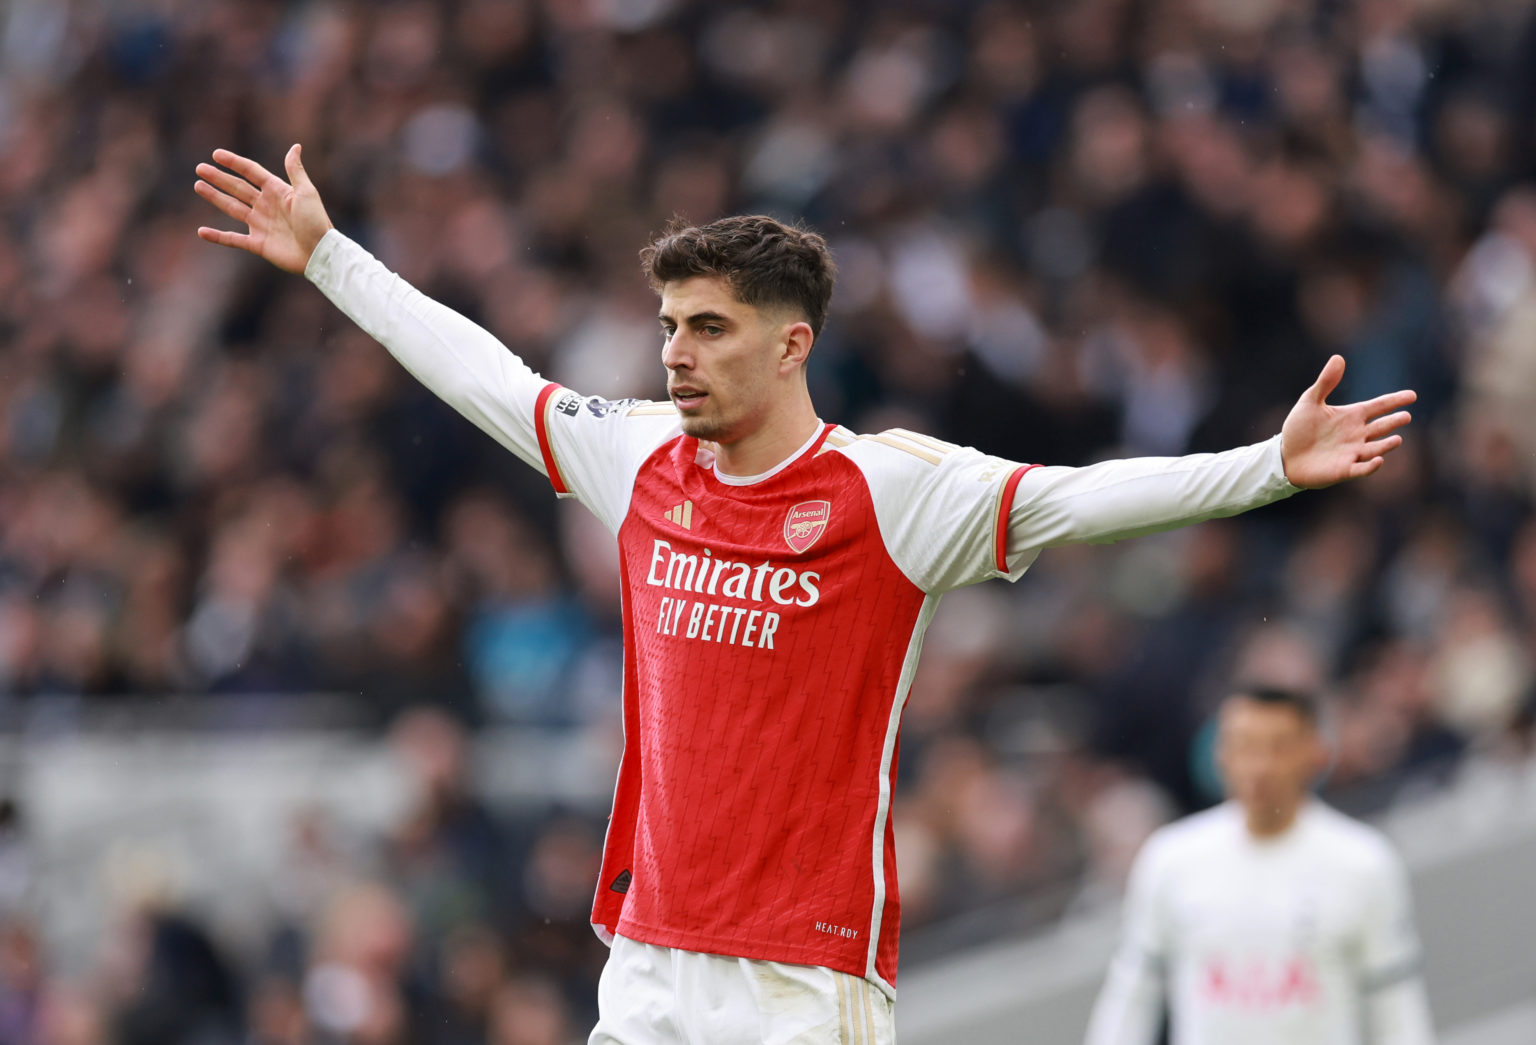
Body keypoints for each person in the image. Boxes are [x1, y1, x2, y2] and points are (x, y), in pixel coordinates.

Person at [193, 144, 1417, 1044]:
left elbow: (1076, 496)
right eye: (670, 324)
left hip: (801, 978)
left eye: (710, 328)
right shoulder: (642, 460)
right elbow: (488, 378)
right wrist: (331, 260)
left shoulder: (890, 491)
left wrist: (1267, 467)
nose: (674, 353)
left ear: (790, 344)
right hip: (651, 957)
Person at [1084, 688, 1436, 1045]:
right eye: (1246, 746)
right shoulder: (1170, 861)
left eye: (1278, 746)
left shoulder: (1363, 863)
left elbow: (1396, 1009)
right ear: (1221, 754)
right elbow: (1131, 998)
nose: (1261, 766)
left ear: (1316, 752)